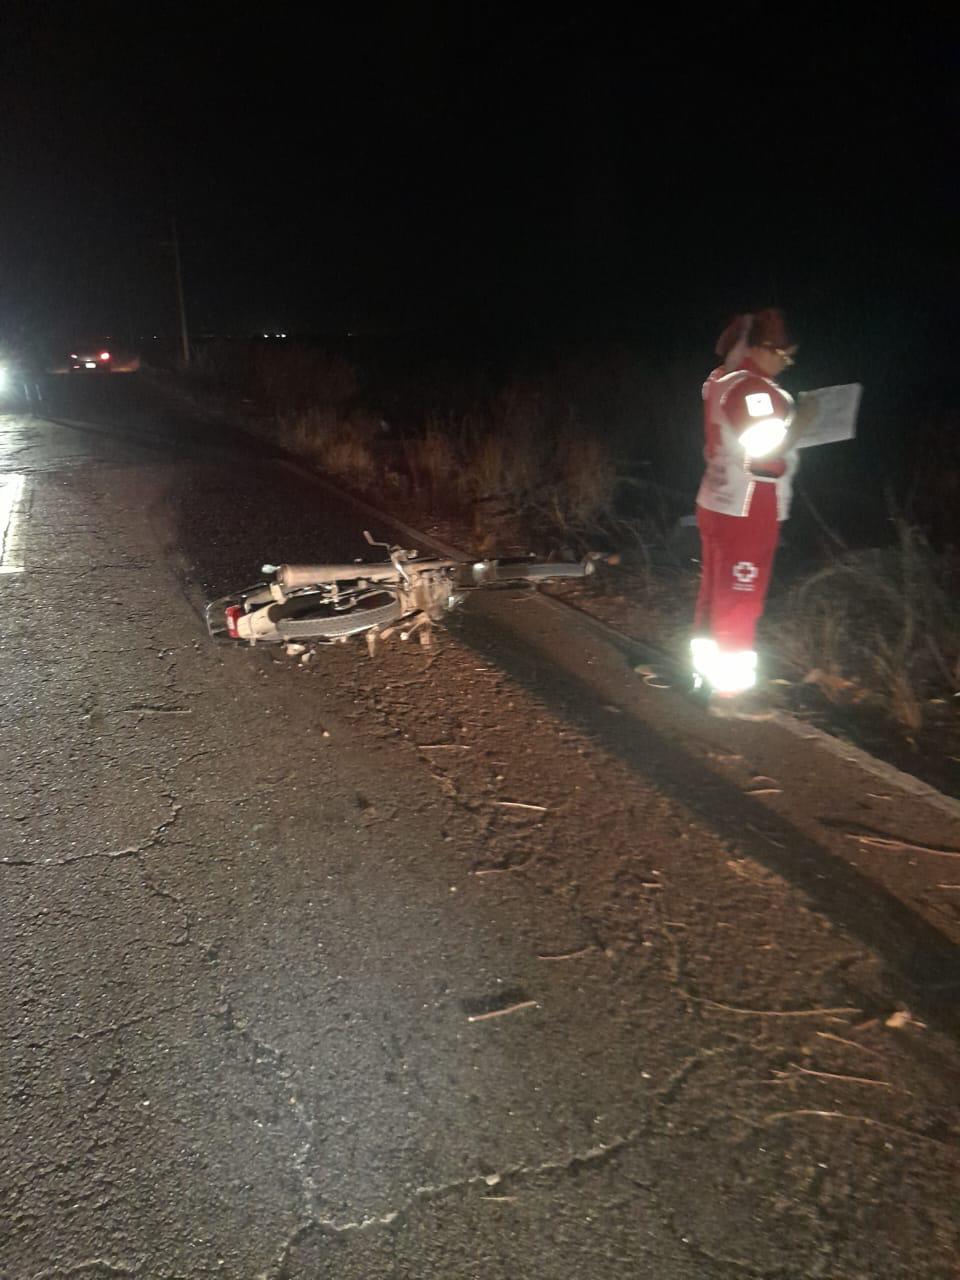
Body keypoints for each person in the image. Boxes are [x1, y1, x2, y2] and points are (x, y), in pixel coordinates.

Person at [692, 308, 816, 719]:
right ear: (762, 348)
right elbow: (765, 456)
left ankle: (704, 678)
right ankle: (730, 695)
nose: (786, 364)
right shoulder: (754, 391)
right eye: (784, 355)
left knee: (714, 594)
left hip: (718, 499)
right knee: (741, 598)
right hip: (748, 505)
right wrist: (805, 422)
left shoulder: (720, 381)